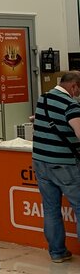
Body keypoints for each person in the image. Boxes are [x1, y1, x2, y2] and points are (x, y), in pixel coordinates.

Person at [31, 70, 80, 262]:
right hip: (64, 164)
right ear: (73, 86)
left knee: (51, 209)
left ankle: (57, 252)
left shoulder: (43, 99)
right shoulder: (71, 105)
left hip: (40, 162)